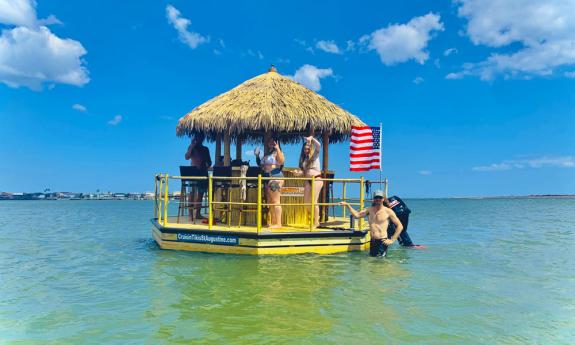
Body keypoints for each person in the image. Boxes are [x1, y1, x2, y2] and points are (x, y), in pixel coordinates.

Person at [339, 190, 403, 257]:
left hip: (382, 242)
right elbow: (357, 215)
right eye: (376, 197)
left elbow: (400, 226)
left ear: (383, 199)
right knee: (373, 262)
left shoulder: (388, 211)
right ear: (373, 199)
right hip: (372, 241)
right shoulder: (369, 210)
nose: (378, 199)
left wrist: (392, 240)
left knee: (380, 263)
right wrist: (347, 205)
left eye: (380, 197)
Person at [255, 136, 285, 229]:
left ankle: (279, 223)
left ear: (276, 142)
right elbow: (261, 165)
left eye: (273, 141)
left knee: (276, 201)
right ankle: (274, 222)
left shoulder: (278, 152)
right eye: (269, 141)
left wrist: (277, 148)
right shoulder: (267, 154)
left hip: (275, 177)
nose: (270, 143)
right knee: (271, 202)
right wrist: (257, 156)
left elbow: (281, 161)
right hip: (268, 178)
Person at [293, 136, 323, 227]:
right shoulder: (304, 159)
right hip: (308, 180)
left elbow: (319, 145)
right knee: (306, 202)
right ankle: (315, 216)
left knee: (314, 201)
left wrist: (311, 139)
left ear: (311, 148)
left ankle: (316, 222)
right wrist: (297, 173)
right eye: (305, 148)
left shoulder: (315, 155)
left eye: (308, 148)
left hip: (316, 179)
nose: (306, 150)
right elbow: (304, 172)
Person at [184, 133, 212, 219]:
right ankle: (190, 214)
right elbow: (186, 157)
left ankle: (197, 214)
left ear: (202, 138)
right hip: (193, 172)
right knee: (192, 193)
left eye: (200, 137)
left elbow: (210, 162)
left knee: (200, 193)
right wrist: (192, 146)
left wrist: (206, 165)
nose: (199, 139)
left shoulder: (205, 149)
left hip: (203, 172)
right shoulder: (192, 147)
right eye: (197, 137)